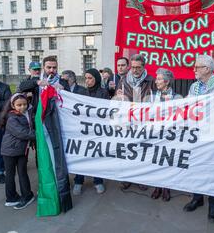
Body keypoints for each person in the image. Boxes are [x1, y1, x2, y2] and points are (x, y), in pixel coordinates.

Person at [183, 54, 214, 223]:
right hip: (197, 133)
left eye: (197, 67)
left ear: (206, 69)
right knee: (196, 166)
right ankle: (197, 198)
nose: (194, 69)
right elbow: (187, 106)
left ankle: (213, 205)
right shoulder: (194, 87)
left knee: (213, 168)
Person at [116, 54, 156, 191]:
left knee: (142, 150)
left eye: (138, 68)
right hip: (128, 122)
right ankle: (127, 178)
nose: (135, 70)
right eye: (132, 67)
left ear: (144, 67)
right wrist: (118, 95)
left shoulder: (151, 80)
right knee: (128, 150)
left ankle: (141, 179)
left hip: (144, 122)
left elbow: (157, 101)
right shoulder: (123, 80)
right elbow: (116, 98)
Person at [72, 68, 110, 196]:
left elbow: (106, 111)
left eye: (90, 78)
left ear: (96, 79)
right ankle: (78, 181)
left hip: (97, 131)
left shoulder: (103, 92)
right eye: (86, 78)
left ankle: (98, 181)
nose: (87, 81)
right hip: (83, 130)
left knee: (96, 156)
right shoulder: (81, 92)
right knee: (81, 155)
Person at [147, 68, 182, 202]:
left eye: (159, 79)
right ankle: (157, 187)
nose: (156, 81)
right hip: (156, 133)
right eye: (156, 79)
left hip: (169, 134)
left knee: (167, 161)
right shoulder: (152, 96)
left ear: (167, 82)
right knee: (156, 160)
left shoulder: (177, 97)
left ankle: (166, 187)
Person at [0, 93, 35, 210]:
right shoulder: (12, 117)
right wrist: (41, 135)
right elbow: (23, 133)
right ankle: (17, 197)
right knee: (14, 174)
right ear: (13, 105)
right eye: (19, 105)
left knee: (19, 173)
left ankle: (16, 197)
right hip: (12, 151)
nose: (22, 107)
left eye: (24, 104)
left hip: (18, 150)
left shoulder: (24, 114)